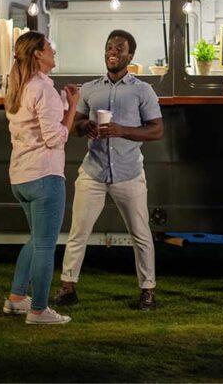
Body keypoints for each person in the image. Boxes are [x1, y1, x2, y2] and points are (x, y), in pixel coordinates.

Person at [53, 29, 164, 311]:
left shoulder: (143, 90)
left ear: (130, 56)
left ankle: (148, 291)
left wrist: (122, 130)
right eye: (109, 47)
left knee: (140, 234)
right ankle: (68, 288)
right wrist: (84, 127)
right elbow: (73, 126)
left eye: (119, 48)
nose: (112, 51)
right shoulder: (90, 89)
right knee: (78, 231)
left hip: (129, 173)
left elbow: (156, 131)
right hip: (94, 171)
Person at [3, 31, 79, 325]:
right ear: (38, 54)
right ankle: (39, 311)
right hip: (45, 176)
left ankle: (17, 299)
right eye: (49, 47)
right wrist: (73, 106)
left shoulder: (17, 86)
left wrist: (62, 101)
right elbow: (55, 138)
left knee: (36, 240)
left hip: (20, 177)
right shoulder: (42, 88)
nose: (54, 51)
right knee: (46, 245)